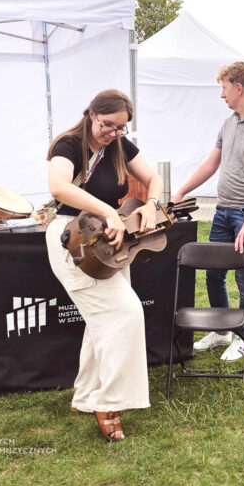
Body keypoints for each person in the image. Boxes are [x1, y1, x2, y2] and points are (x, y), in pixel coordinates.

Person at [45, 89, 163, 442]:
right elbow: (58, 186)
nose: (112, 134)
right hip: (75, 239)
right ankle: (109, 402)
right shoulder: (67, 145)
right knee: (125, 313)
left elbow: (154, 179)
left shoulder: (119, 146)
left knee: (104, 319)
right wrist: (108, 210)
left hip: (112, 242)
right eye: (107, 125)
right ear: (91, 114)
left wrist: (150, 204)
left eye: (120, 129)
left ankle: (86, 396)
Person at [172, 62, 244, 362]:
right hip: (223, 212)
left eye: (223, 87)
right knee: (213, 274)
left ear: (238, 87)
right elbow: (211, 164)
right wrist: (181, 191)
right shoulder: (229, 123)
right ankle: (221, 334)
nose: (222, 95)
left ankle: (243, 338)